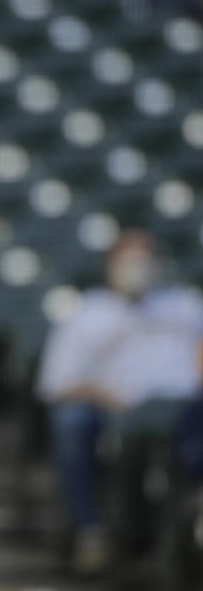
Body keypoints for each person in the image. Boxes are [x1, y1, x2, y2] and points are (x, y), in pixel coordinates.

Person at [35, 230, 203, 574]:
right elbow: (56, 383)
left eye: (144, 260)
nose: (137, 269)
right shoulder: (87, 311)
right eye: (128, 261)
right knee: (71, 421)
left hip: (183, 411)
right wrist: (104, 396)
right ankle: (90, 531)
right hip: (113, 410)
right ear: (110, 265)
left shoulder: (184, 304)